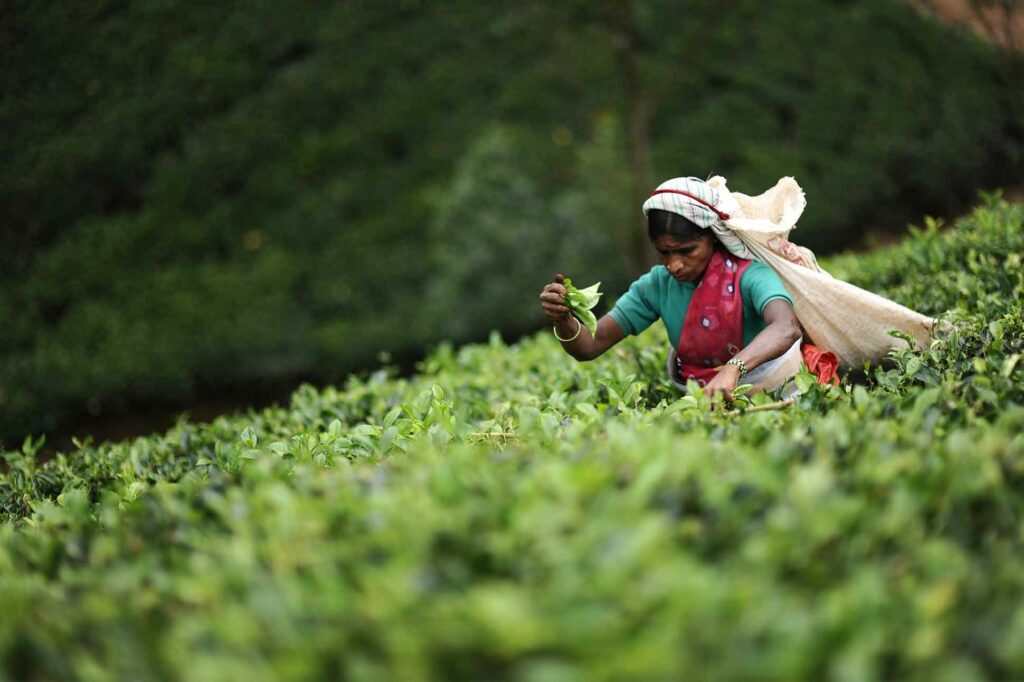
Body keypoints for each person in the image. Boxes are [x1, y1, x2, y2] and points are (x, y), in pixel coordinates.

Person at [538, 176, 804, 401]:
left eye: (687, 251)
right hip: (697, 400)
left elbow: (786, 327)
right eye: (663, 253)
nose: (674, 265)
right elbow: (590, 346)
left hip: (775, 390)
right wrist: (564, 318)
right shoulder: (656, 286)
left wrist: (733, 369)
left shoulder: (750, 275)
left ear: (712, 238)